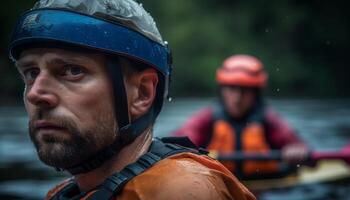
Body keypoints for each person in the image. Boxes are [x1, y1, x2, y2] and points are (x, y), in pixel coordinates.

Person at [9, 0, 256, 199]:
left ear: (142, 93)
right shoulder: (61, 193)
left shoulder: (181, 190)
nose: (35, 94)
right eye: (31, 73)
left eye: (73, 71)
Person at [174, 54, 309, 180]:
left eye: (245, 90)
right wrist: (186, 151)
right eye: (232, 89)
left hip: (263, 184)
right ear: (222, 90)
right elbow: (181, 141)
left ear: (256, 93)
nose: (237, 98)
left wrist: (296, 150)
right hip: (217, 183)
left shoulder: (268, 119)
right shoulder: (207, 118)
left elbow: (295, 143)